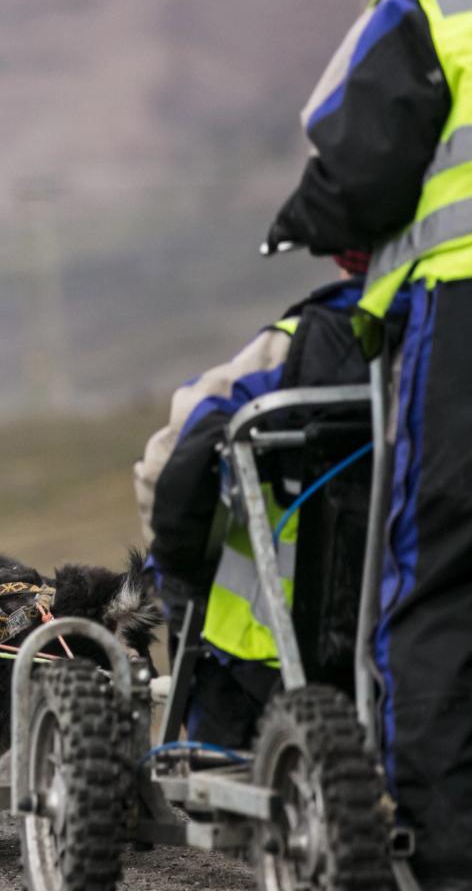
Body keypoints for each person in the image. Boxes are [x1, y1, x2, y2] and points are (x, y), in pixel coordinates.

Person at [261, 0, 472, 891]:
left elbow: (358, 171)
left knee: (447, 580)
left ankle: (449, 866)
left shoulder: (436, 0)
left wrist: (302, 220)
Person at [134, 278, 373, 748]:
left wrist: (172, 578)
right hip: (463, 659)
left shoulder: (297, 346)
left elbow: (168, 465)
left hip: (269, 665)